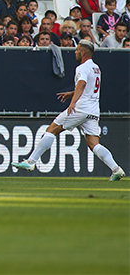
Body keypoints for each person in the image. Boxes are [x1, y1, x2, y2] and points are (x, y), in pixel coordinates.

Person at [13, 40, 124, 180]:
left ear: (83, 52)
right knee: (93, 143)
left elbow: (82, 84)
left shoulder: (81, 68)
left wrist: (73, 102)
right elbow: (88, 87)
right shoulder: (96, 68)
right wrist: (71, 93)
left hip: (80, 108)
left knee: (52, 129)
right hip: (93, 110)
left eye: (77, 50)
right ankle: (116, 169)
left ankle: (31, 162)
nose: (75, 52)